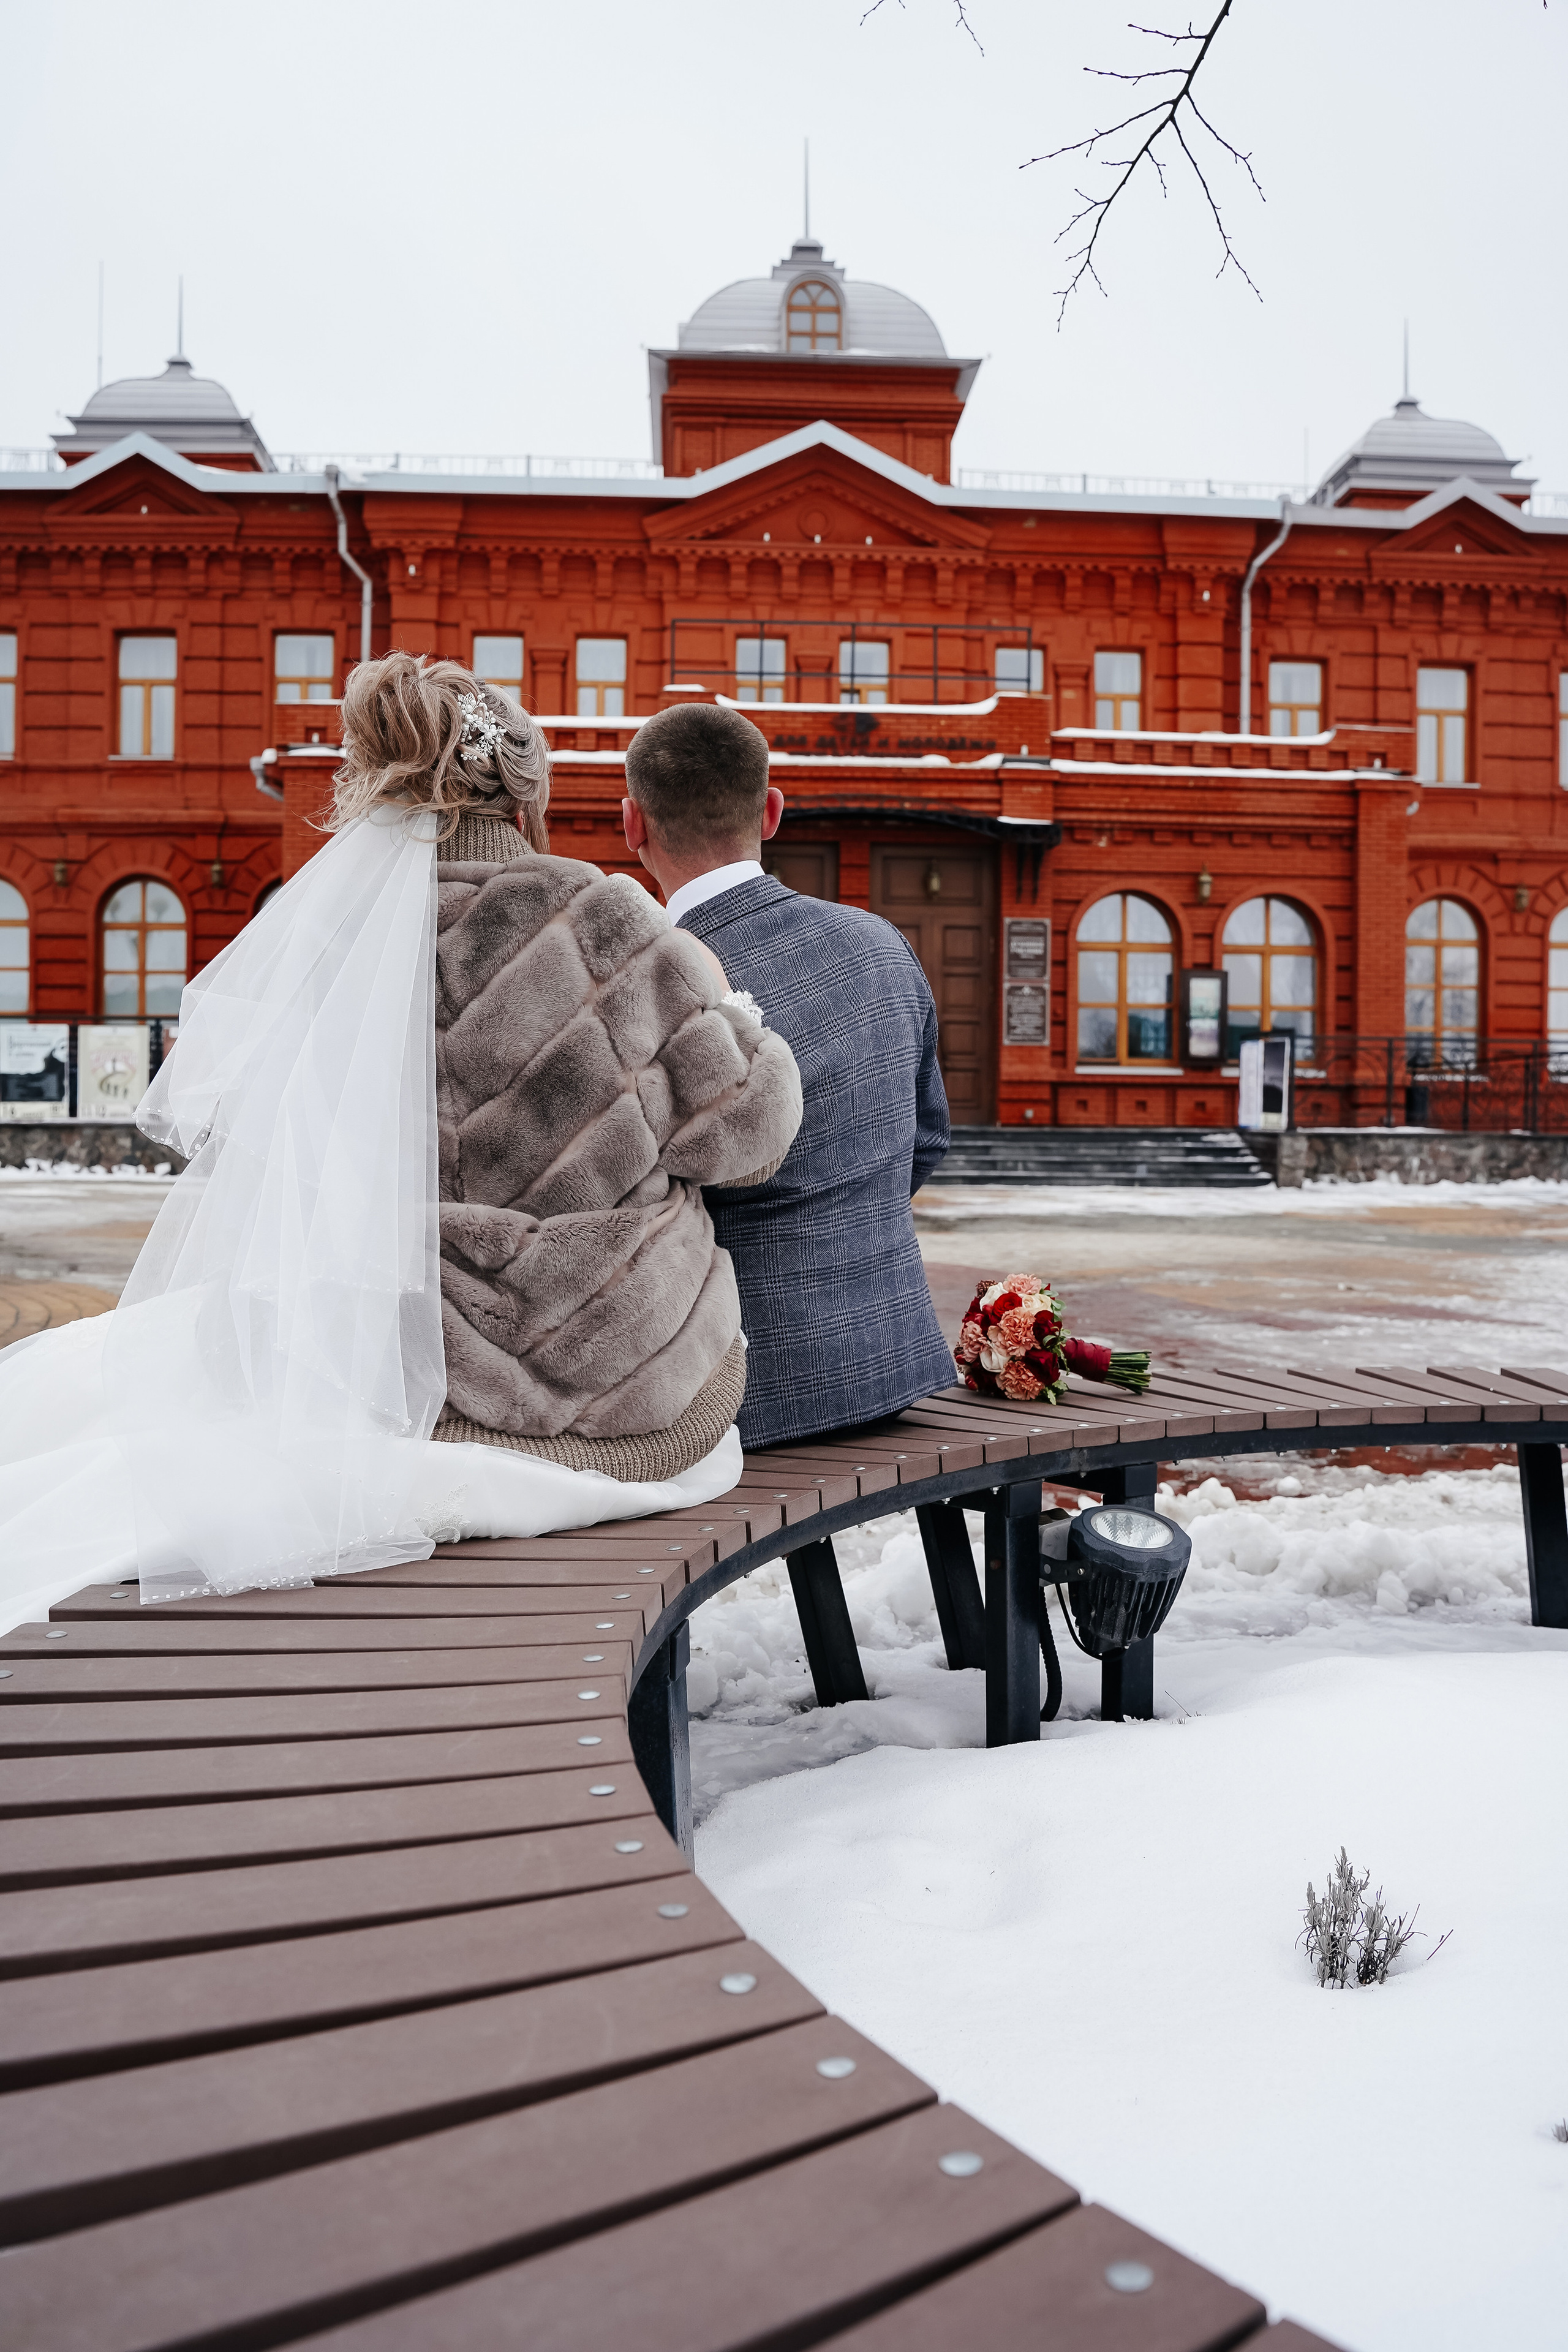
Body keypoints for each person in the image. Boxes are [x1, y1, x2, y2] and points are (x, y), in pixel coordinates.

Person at [0, 656, 801, 1626]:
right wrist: (737, 1019)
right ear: (522, 788)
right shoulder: (604, 919)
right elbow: (747, 1139)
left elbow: (263, 1160)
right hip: (622, 1383)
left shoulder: (332, 944)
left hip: (386, 1375)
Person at [622, 699, 954, 1450]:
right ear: (771, 811)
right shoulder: (879, 943)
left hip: (735, 1394)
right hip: (894, 1361)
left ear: (633, 825)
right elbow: (925, 1139)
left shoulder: (638, 981)